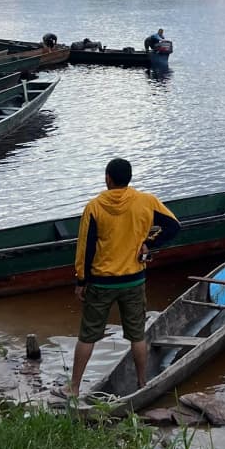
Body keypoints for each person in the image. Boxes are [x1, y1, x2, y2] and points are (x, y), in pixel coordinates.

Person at [69, 157, 180, 396]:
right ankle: (142, 384)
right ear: (128, 179)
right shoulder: (146, 202)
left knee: (88, 336)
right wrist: (149, 243)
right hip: (133, 280)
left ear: (108, 178)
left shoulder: (95, 207)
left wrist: (81, 280)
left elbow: (85, 248)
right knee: (137, 335)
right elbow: (173, 226)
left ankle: (74, 389)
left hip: (100, 282)